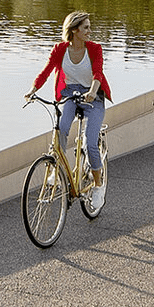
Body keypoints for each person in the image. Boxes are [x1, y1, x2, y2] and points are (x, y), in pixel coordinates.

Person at [27, 11, 112, 205]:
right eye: (86, 28)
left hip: (93, 96)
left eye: (89, 27)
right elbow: (46, 71)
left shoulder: (95, 49)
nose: (90, 31)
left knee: (90, 143)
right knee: (61, 129)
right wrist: (33, 90)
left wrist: (92, 92)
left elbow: (98, 73)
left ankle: (98, 187)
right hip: (70, 95)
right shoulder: (60, 49)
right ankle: (57, 171)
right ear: (74, 30)